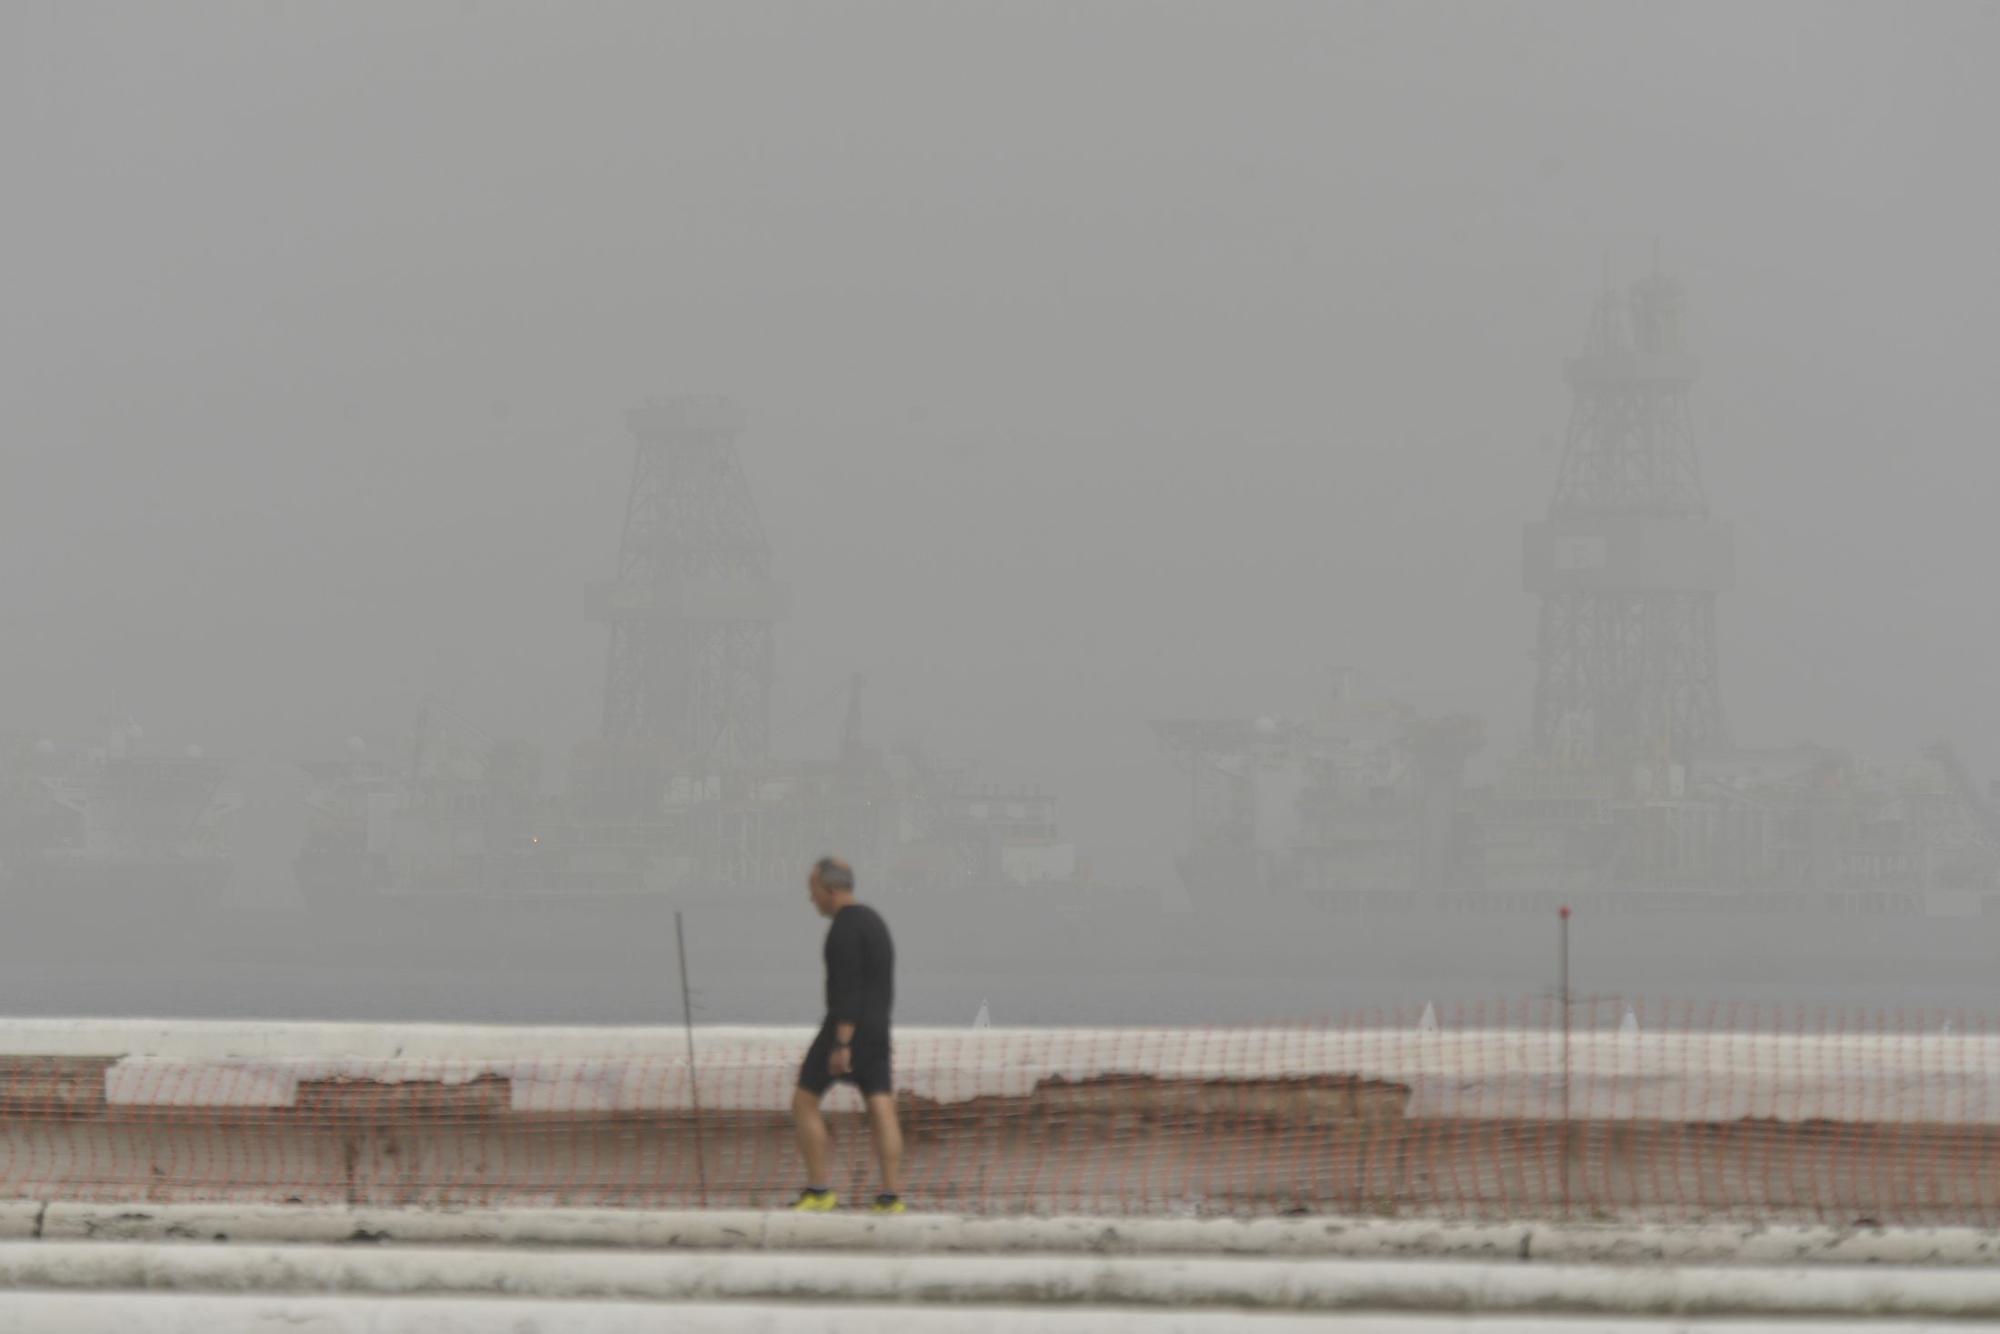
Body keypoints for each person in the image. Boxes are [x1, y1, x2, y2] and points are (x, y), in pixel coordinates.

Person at [790, 856, 903, 1213]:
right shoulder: (875, 922)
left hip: (845, 1027)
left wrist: (841, 1042)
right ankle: (890, 1196)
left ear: (831, 889)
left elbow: (849, 990)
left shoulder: (842, 930)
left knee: (804, 1101)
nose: (811, 900)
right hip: (878, 1027)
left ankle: (820, 1190)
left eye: (814, 891)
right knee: (881, 1104)